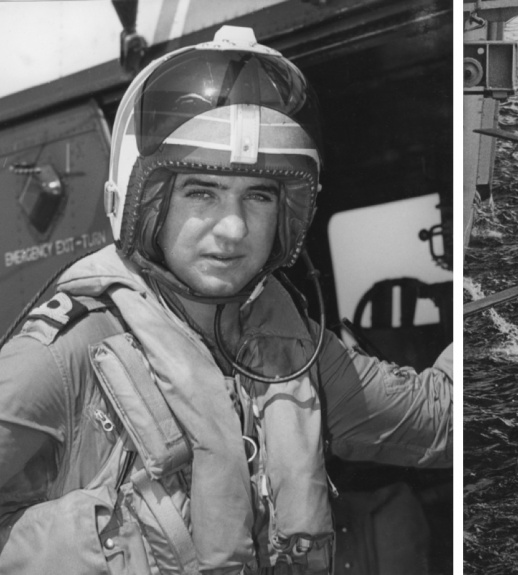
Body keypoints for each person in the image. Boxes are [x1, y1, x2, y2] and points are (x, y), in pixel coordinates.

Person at [0, 26, 452, 574]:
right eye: (202, 192)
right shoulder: (68, 351)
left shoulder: (295, 351)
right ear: (149, 203)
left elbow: (438, 421)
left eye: (258, 196)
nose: (234, 229)